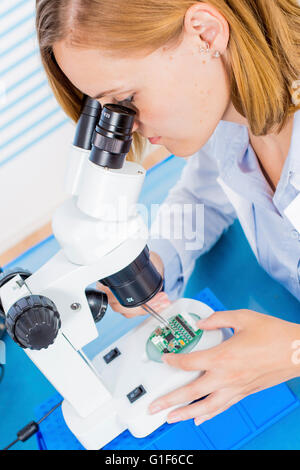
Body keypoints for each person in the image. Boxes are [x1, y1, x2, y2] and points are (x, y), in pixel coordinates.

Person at [36, 0, 300, 426]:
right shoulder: (232, 112)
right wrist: (153, 264)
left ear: (205, 33)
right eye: (107, 112)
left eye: (125, 100)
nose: (130, 126)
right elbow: (203, 195)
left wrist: (291, 350)